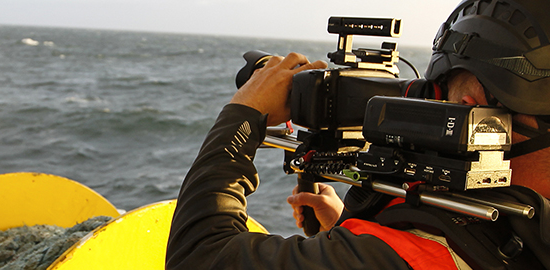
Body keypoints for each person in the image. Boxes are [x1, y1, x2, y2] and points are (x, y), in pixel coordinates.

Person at [166, 0, 550, 269]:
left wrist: (242, 115)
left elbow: (198, 258)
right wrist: (360, 234)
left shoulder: (417, 257)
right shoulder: (524, 228)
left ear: (469, 106)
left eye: (438, 99)